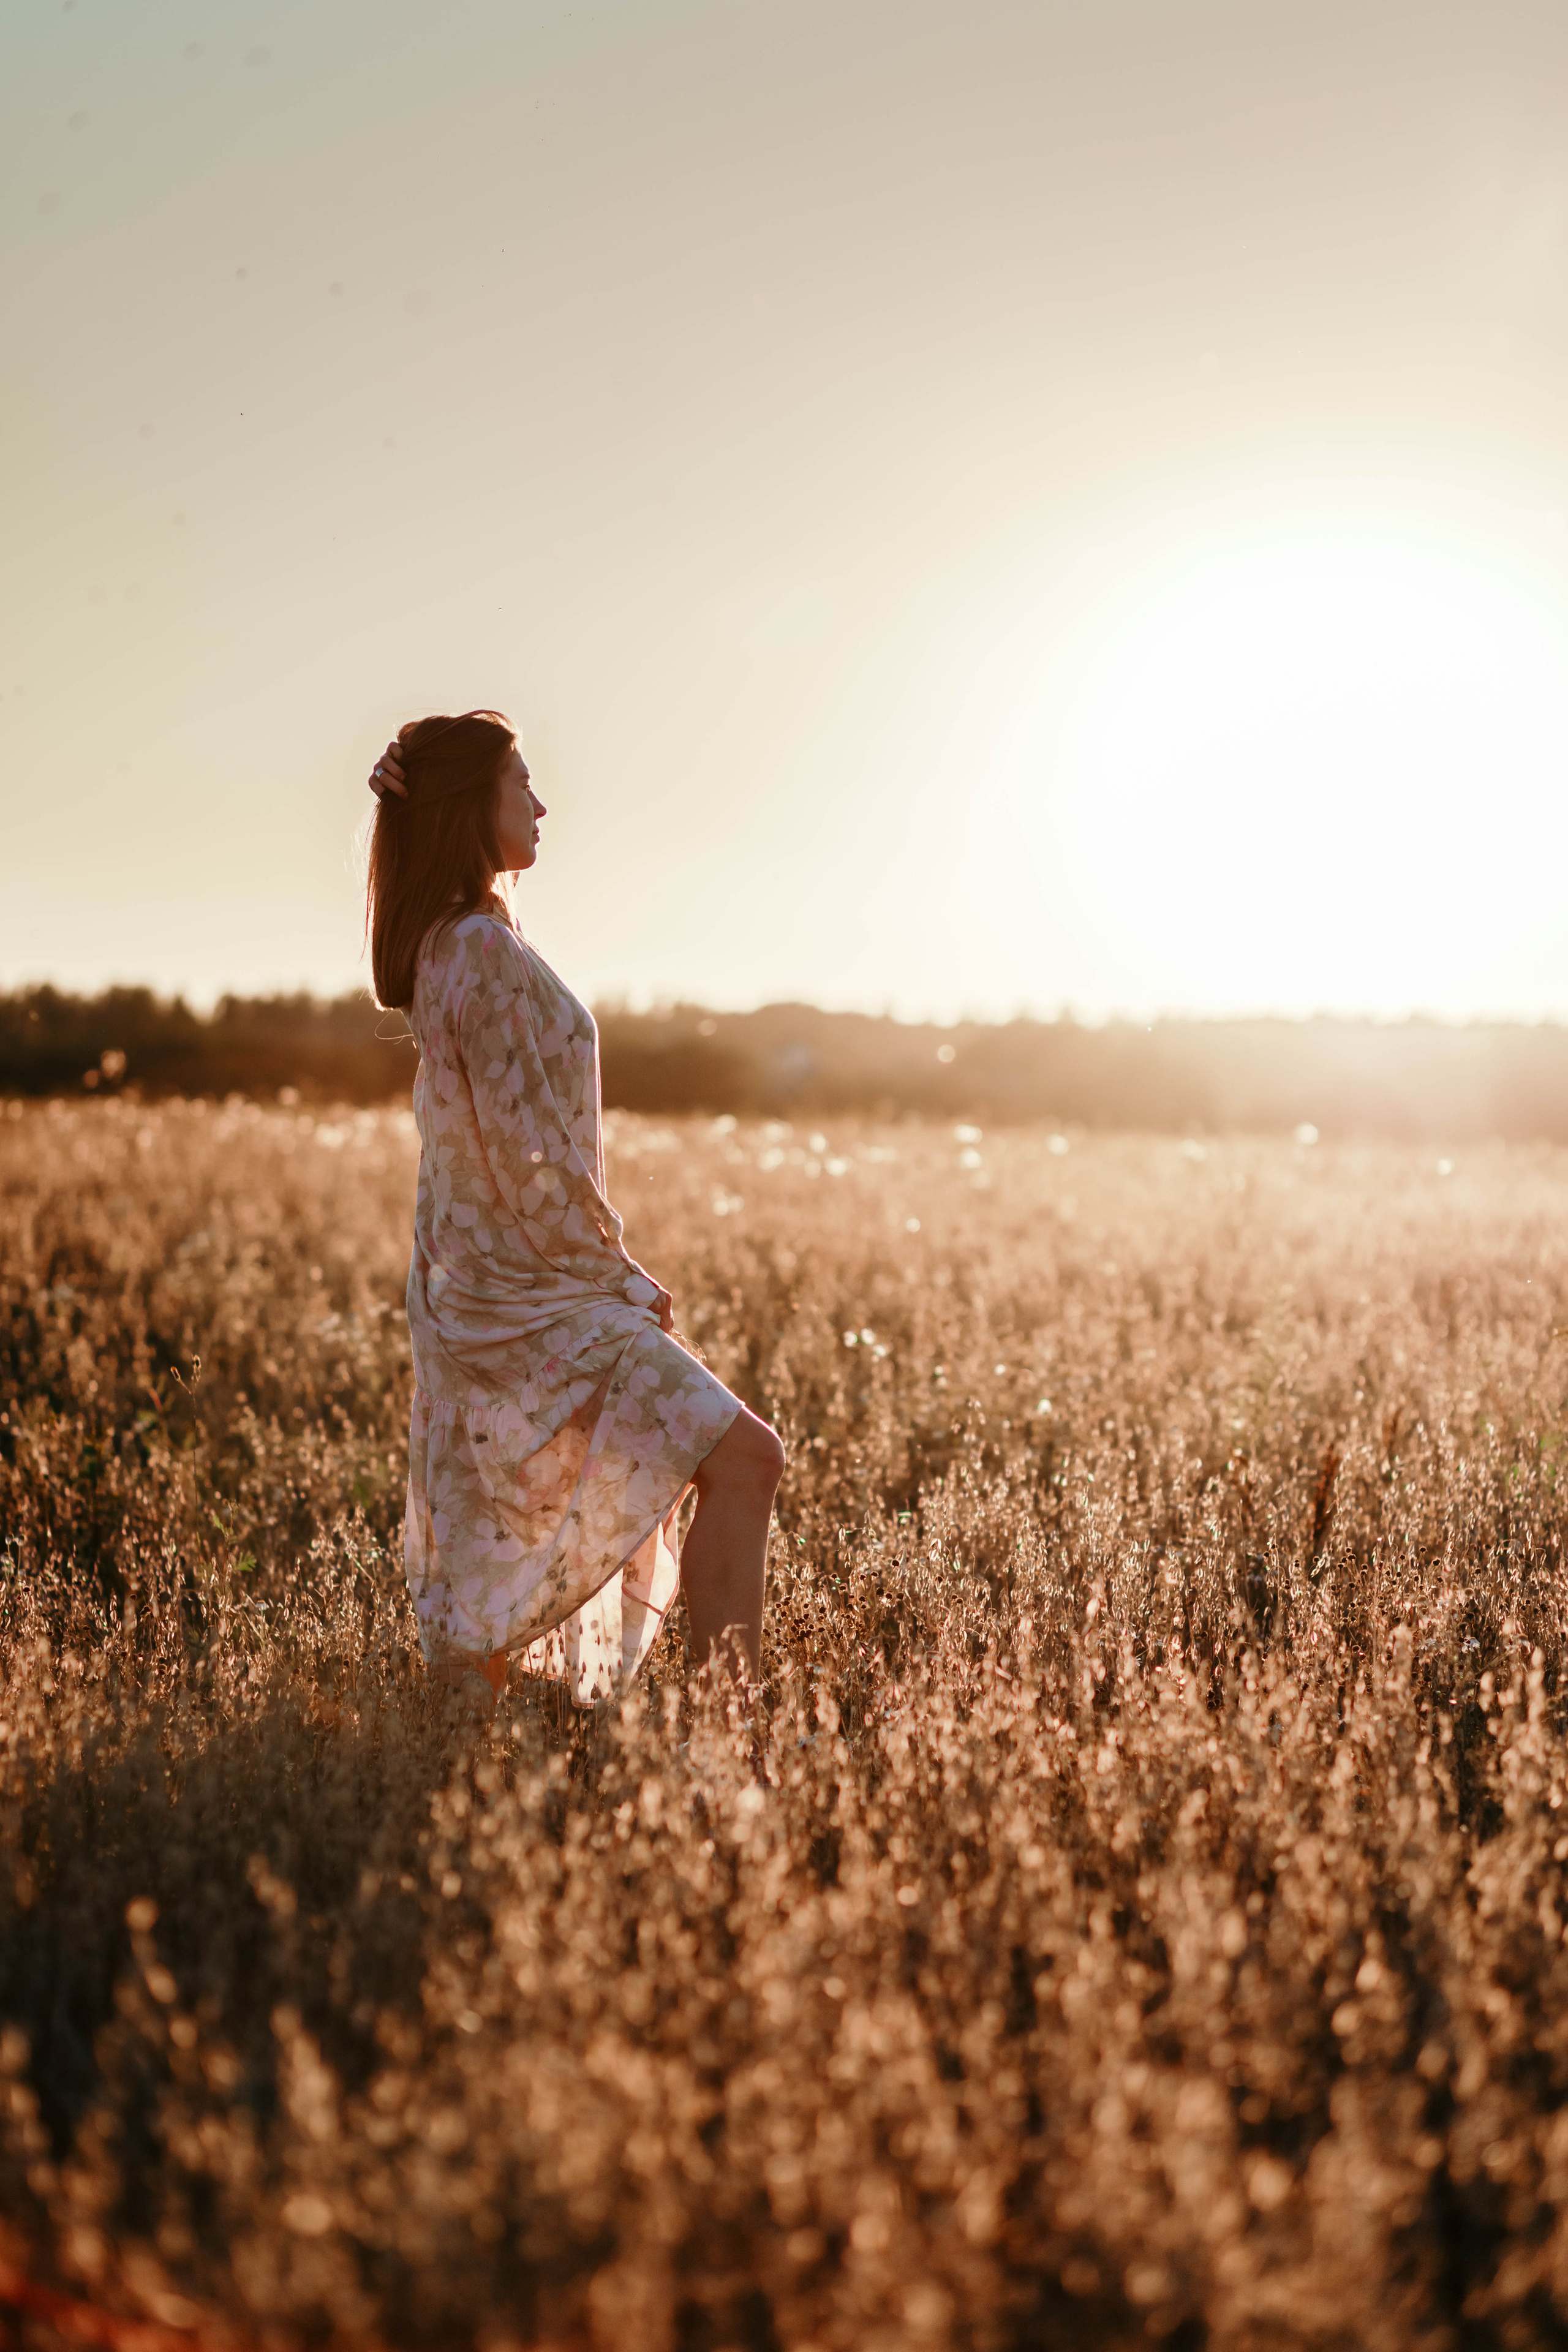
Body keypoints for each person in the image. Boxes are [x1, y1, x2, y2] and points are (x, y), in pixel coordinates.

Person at [364, 710, 783, 1712]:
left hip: (501, 1290)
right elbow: (528, 1163)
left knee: (524, 1523)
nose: (542, 805)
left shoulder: (462, 942)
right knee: (746, 1457)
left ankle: (495, 1719)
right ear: (475, 805)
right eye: (522, 785)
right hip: (528, 1295)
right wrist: (624, 1282)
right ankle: (728, 1734)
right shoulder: (476, 948)